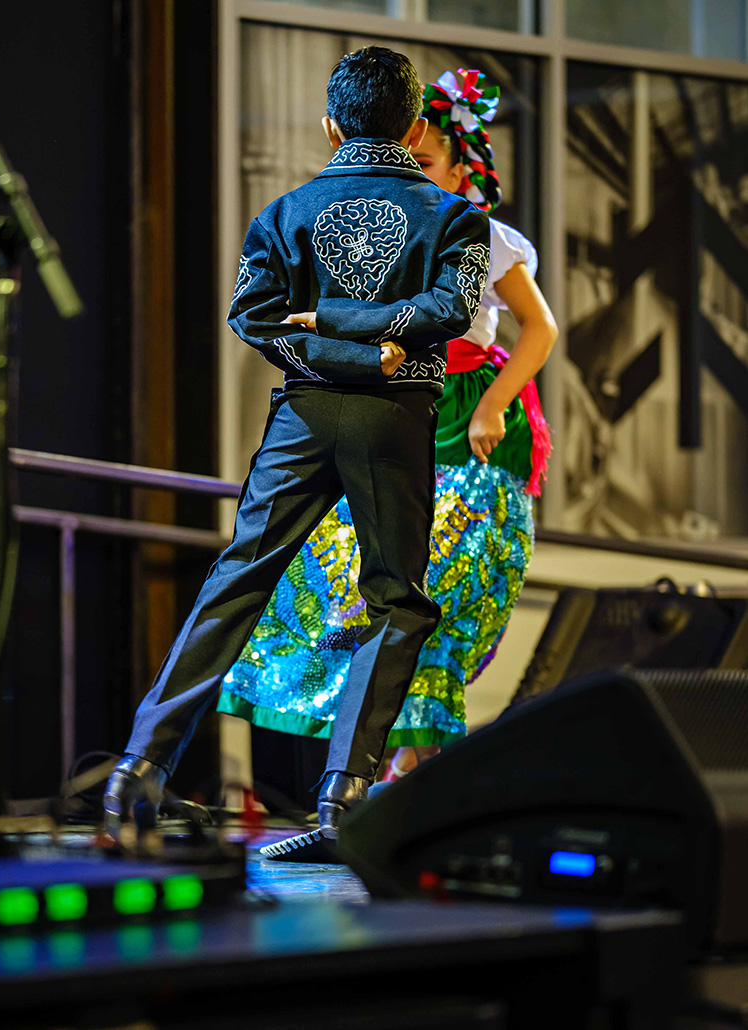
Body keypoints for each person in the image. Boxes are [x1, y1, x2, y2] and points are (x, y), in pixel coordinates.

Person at [103, 49, 491, 843]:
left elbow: (255, 318)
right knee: (396, 600)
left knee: (237, 580)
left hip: (304, 416)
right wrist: (374, 350)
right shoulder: (457, 218)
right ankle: (342, 797)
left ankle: (136, 768)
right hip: (393, 418)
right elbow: (449, 311)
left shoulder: (283, 213)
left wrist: (334, 327)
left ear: (330, 124)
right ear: (416, 125)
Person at [216, 70, 557, 858]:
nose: (416, 171)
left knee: (430, 604)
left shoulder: (478, 233)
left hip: (462, 416)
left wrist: (494, 402)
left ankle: (402, 797)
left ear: (458, 166)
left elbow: (537, 332)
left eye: (431, 161)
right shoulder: (374, 218)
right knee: (339, 588)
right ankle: (363, 788)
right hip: (387, 404)